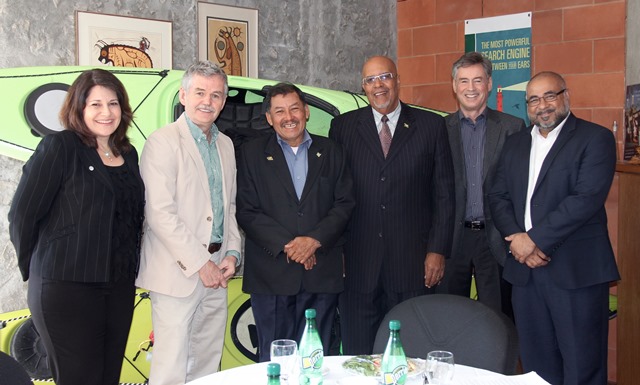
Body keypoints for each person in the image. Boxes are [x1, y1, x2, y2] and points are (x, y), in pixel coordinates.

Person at [8, 69, 145, 385]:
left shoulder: (128, 153)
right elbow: (22, 215)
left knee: (108, 378)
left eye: (113, 103)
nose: (106, 112)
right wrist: (38, 269)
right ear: (79, 108)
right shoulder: (61, 146)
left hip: (119, 285)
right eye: (95, 104)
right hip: (66, 286)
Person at [488, 71, 620, 385]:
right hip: (526, 275)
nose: (542, 105)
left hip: (576, 272)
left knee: (582, 366)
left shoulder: (594, 138)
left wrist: (534, 241)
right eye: (533, 99)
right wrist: (518, 242)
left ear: (566, 96)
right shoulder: (515, 143)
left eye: (550, 95)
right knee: (536, 367)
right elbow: (497, 195)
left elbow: (585, 199)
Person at [329, 56, 455, 355]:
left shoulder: (431, 126)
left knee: (410, 353)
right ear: (363, 87)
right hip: (358, 265)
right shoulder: (343, 128)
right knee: (359, 355)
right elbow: (334, 196)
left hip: (412, 266)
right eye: (371, 80)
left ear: (398, 80)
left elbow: (444, 195)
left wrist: (437, 251)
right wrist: (336, 251)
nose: (378, 85)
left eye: (385, 76)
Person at [136, 61, 242, 385]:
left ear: (224, 101)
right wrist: (200, 264)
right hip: (178, 272)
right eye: (199, 92)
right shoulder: (162, 141)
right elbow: (159, 214)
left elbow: (229, 208)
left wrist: (233, 254)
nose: (207, 101)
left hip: (217, 269)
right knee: (170, 368)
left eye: (216, 95)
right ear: (183, 95)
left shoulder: (226, 145)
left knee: (207, 364)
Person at [236, 82, 355, 362]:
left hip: (321, 275)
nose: (288, 117)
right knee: (274, 359)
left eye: (294, 109)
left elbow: (345, 203)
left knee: (316, 358)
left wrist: (313, 242)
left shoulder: (332, 151)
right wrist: (292, 246)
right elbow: (247, 210)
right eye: (279, 111)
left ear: (307, 111)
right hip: (272, 275)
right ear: (269, 118)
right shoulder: (251, 154)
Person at [436, 52, 525, 317]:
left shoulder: (513, 127)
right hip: (453, 240)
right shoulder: (439, 129)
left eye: (478, 80)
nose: (471, 88)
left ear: (489, 84)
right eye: (464, 81)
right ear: (454, 86)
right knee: (449, 318)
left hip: (495, 238)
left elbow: (520, 188)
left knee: (497, 320)